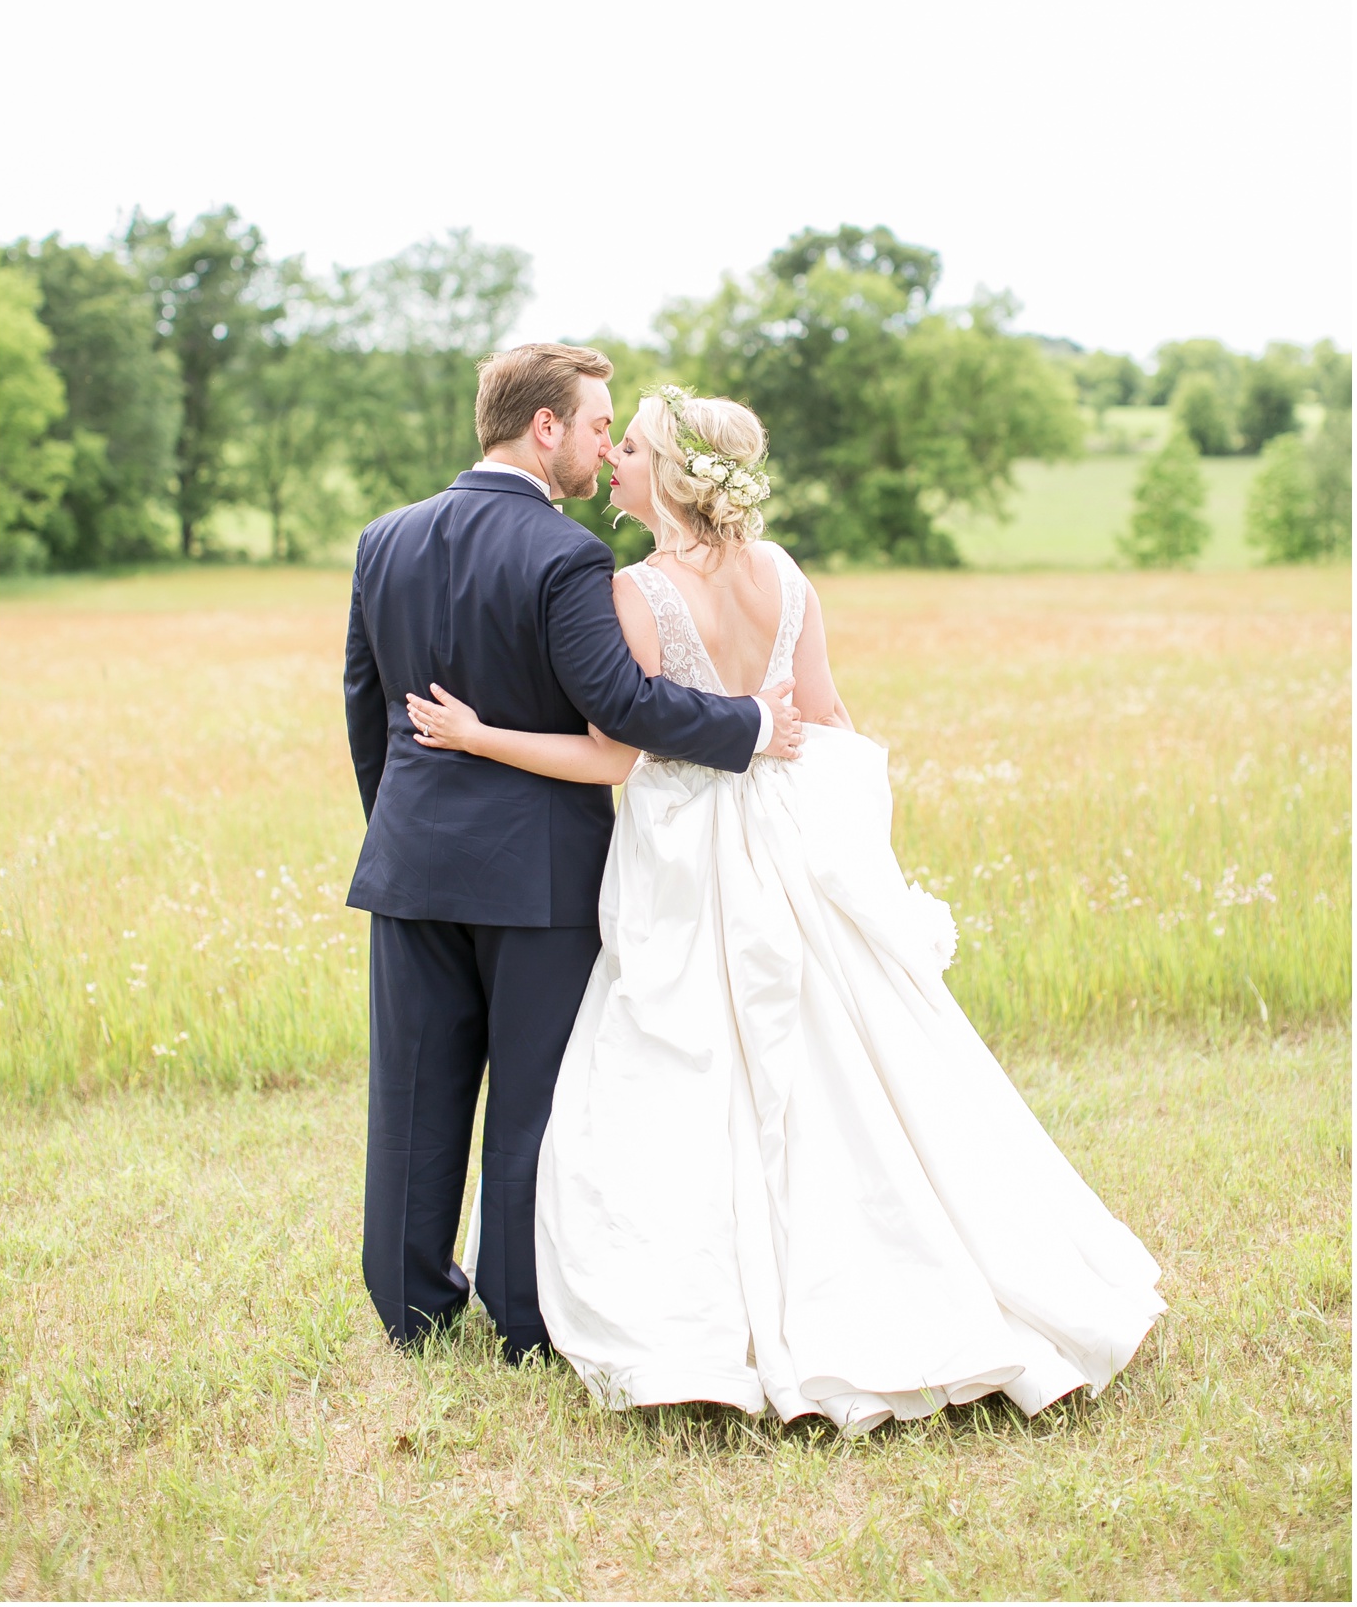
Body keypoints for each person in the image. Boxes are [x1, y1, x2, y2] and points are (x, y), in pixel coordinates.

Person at [406, 385, 1166, 1432]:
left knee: (679, 1052)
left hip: (683, 848)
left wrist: (477, 735)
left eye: (627, 446)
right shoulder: (786, 574)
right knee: (838, 1052)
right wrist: (851, 851)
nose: (612, 457)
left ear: (670, 473)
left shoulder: (635, 591)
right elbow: (830, 717)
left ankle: (691, 1305)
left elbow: (615, 750)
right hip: (791, 829)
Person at [343, 345, 803, 1365]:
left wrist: (406, 833)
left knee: (412, 1091)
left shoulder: (384, 539)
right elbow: (624, 708)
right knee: (531, 1098)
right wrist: (749, 724)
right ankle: (520, 1312)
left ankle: (412, 1310)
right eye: (597, 425)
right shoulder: (564, 557)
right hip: (538, 872)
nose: (606, 445)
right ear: (542, 427)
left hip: (412, 866)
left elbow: (367, 712)